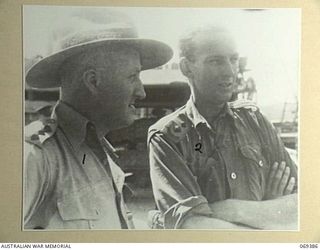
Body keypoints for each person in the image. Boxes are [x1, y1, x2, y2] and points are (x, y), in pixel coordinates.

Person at [24, 13, 173, 230]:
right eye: (133, 77)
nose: (141, 92)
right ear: (93, 81)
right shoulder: (36, 156)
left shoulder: (99, 150)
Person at [148, 26, 298, 229]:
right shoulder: (167, 137)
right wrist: (268, 212)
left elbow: (302, 205)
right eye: (215, 61)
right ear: (187, 68)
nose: (229, 71)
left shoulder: (255, 121)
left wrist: (234, 209)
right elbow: (192, 228)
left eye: (233, 59)